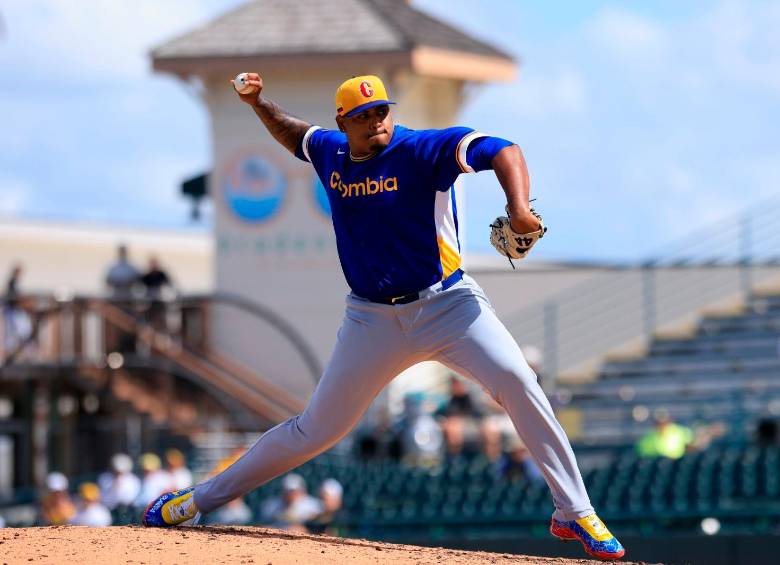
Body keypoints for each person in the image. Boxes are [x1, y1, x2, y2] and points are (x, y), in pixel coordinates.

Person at [143, 73, 624, 560]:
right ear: (343, 123)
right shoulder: (330, 152)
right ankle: (196, 501)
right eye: (362, 116)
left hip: (449, 305)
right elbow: (296, 134)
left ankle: (574, 511)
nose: (375, 121)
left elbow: (504, 150)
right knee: (316, 430)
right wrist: (257, 101)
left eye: (381, 111)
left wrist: (518, 207)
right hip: (370, 319)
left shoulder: (422, 150)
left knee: (518, 381)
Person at [258, 473, 322, 531]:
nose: (291, 494)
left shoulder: (313, 505)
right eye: (288, 491)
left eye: (294, 491)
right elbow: (264, 523)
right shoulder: (272, 505)